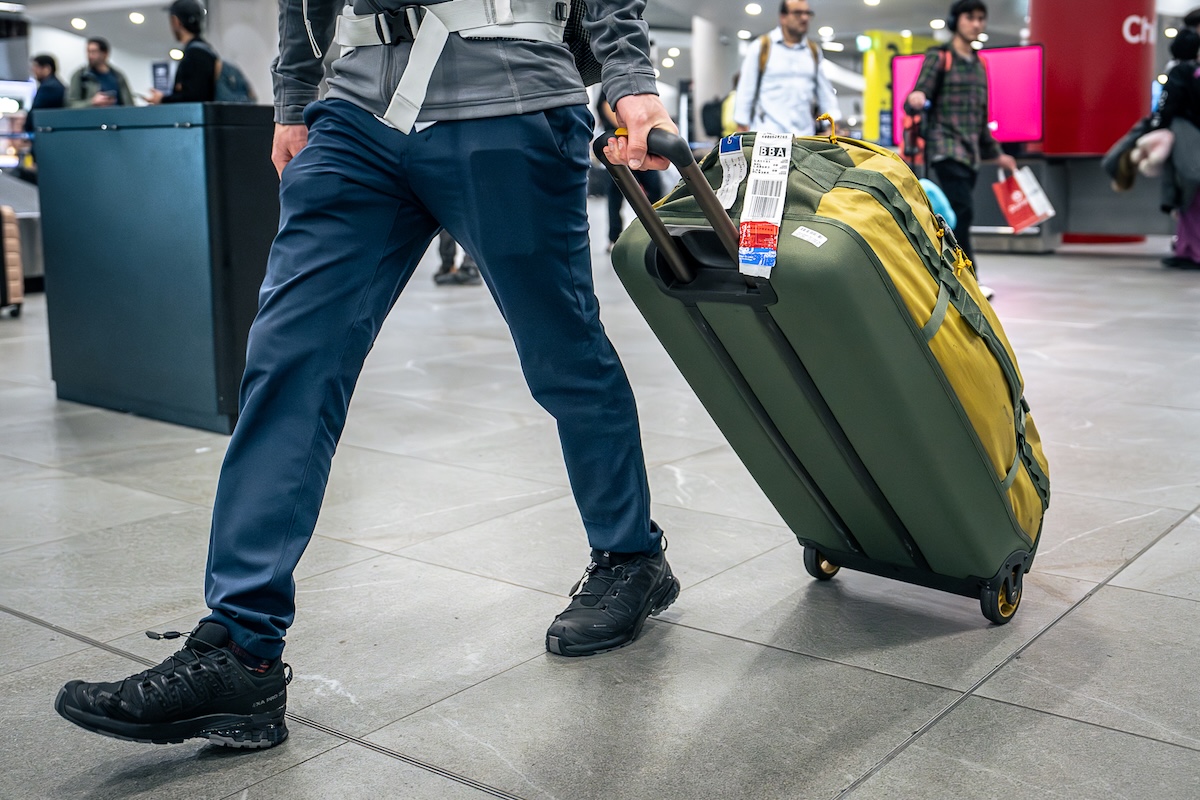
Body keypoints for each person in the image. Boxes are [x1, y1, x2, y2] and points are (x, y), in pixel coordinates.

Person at [54, 0, 680, 750]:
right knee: (289, 361)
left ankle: (631, 554)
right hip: (354, 116)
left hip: (510, 98)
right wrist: (294, 98)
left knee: (563, 354)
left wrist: (630, 74)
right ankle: (240, 651)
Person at [906, 0, 1016, 300]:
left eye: (981, 18)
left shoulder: (980, 64)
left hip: (970, 154)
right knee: (963, 212)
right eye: (970, 17)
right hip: (944, 147)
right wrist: (916, 97)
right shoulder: (940, 56)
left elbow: (981, 118)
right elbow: (919, 92)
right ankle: (970, 281)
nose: (977, 24)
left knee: (959, 215)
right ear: (957, 20)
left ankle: (949, 275)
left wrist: (999, 154)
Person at [733, 0, 840, 136]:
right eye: (797, 13)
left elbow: (825, 92)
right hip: (768, 138)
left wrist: (833, 122)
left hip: (804, 138)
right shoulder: (762, 46)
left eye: (807, 13)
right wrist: (742, 124)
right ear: (783, 17)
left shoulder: (813, 51)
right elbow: (746, 89)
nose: (804, 18)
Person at [597, 95, 664, 250]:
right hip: (618, 149)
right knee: (616, 194)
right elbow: (606, 107)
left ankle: (658, 233)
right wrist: (633, 126)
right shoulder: (608, 90)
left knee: (655, 189)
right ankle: (614, 237)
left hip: (642, 146)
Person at [1158, 29, 1200, 269]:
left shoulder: (1179, 72)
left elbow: (1167, 105)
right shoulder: (1196, 72)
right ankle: (1185, 248)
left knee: (1189, 197)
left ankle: (1192, 250)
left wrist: (1158, 127)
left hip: (1186, 141)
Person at [146, 0, 218, 104]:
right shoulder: (206, 50)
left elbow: (193, 97)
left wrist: (162, 99)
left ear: (176, 21)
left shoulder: (194, 54)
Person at [66, 38, 134, 108]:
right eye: (88, 52)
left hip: (117, 117)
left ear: (105, 54)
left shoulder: (118, 76)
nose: (90, 56)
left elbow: (128, 103)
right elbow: (71, 105)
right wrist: (92, 102)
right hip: (93, 117)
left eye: (94, 52)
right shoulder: (81, 76)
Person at [25, 55, 65, 135]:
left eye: (36, 67)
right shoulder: (57, 84)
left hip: (47, 132)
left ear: (47, 68)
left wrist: (26, 129)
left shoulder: (48, 88)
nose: (33, 70)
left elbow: (36, 110)